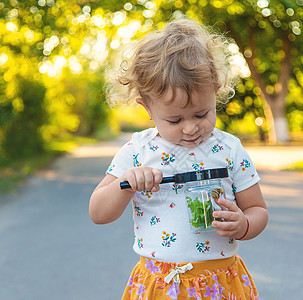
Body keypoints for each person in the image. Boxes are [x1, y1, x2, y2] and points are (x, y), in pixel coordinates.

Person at [89, 18, 268, 299]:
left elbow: (258, 209)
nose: (190, 127)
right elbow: (98, 213)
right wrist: (126, 183)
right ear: (146, 107)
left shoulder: (229, 150)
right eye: (174, 119)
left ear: (216, 90)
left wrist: (244, 225)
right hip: (159, 284)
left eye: (201, 114)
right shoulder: (137, 152)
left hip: (219, 282)